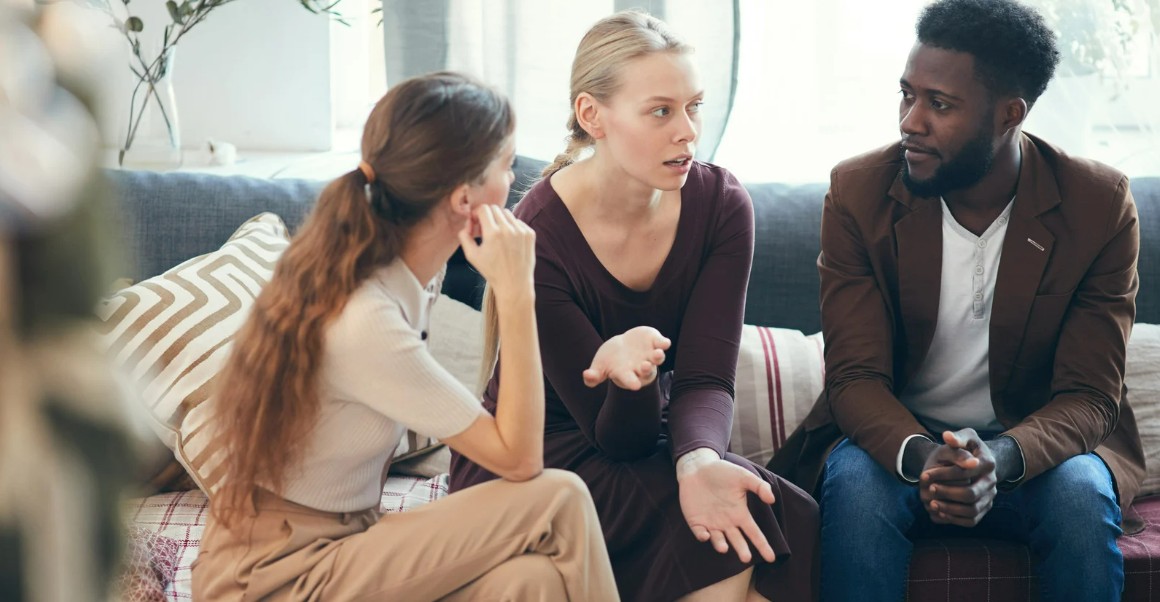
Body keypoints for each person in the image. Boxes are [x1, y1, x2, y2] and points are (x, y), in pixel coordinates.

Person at [190, 72, 619, 602]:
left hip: (345, 543)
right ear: (465, 197)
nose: (514, 184)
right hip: (277, 576)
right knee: (561, 496)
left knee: (531, 583)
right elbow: (520, 460)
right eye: (508, 167)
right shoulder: (364, 315)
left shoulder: (406, 273)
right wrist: (516, 293)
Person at [766, 0, 1144, 600]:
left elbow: (1090, 396)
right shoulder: (858, 194)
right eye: (906, 95)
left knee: (1079, 493)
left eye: (938, 104)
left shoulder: (1096, 206)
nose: (910, 121)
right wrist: (924, 457)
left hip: (1034, 454)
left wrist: (1001, 457)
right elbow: (855, 377)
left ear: (1009, 114)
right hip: (896, 447)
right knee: (857, 487)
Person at [449, 11, 819, 602]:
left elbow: (704, 378)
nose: (688, 132)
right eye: (660, 111)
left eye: (693, 106)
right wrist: (628, 376)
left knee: (779, 516)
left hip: (648, 441)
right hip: (543, 459)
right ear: (592, 115)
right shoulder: (537, 234)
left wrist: (697, 460)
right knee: (727, 534)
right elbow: (610, 438)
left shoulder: (722, 207)